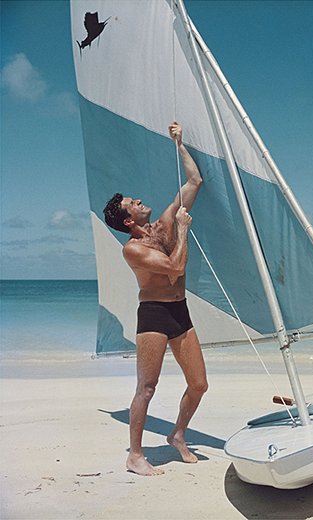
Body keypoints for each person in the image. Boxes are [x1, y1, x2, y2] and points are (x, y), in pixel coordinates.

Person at [103, 122, 207, 476]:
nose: (139, 200)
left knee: (199, 384)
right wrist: (184, 230)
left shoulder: (162, 227)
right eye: (133, 202)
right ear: (129, 220)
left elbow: (194, 183)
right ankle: (135, 455)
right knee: (147, 387)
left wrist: (179, 143)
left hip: (179, 311)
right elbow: (175, 269)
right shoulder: (134, 249)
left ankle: (177, 434)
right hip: (153, 316)